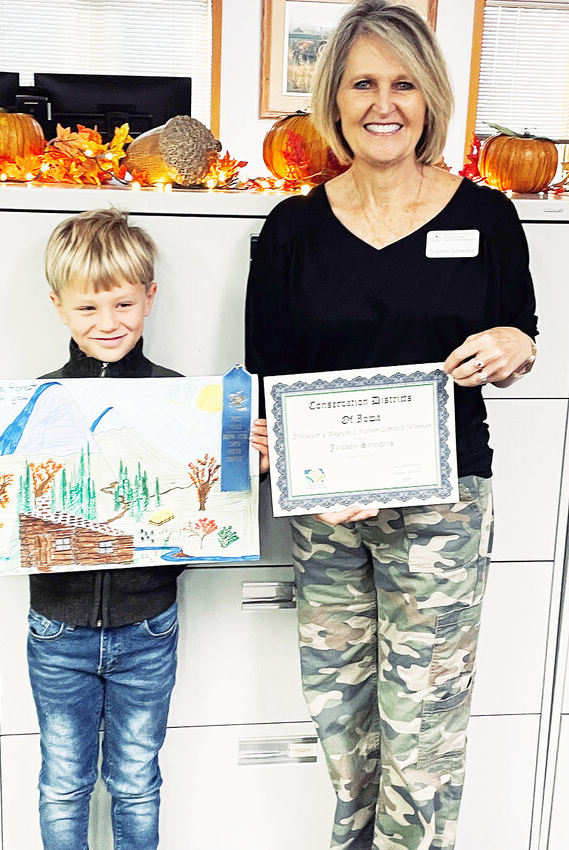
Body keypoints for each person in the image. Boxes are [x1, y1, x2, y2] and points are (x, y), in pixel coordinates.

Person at [246, 2, 537, 849]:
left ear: (430, 96)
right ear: (334, 100)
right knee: (343, 724)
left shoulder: (487, 220)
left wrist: (512, 343)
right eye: (363, 82)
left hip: (443, 511)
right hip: (328, 518)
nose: (384, 103)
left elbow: (519, 339)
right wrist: (288, 461)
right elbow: (268, 378)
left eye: (404, 83)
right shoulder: (293, 228)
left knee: (425, 732)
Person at [0, 207, 183, 850]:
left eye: (124, 304)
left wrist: (251, 468)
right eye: (87, 309)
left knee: (136, 780)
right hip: (58, 628)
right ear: (58, 308)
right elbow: (9, 516)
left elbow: (204, 516)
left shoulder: (184, 400)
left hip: (148, 625)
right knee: (63, 781)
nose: (109, 323)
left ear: (150, 298)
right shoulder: (29, 403)